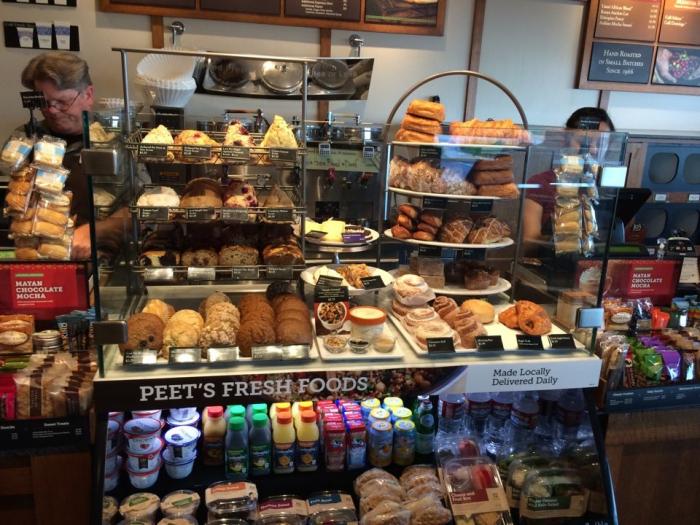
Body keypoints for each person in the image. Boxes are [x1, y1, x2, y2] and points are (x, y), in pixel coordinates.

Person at [20, 52, 127, 259]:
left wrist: (93, 232)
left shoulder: (114, 141)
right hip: (38, 258)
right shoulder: (25, 140)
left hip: (100, 260)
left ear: (88, 95)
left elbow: (139, 210)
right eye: (43, 102)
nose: (51, 110)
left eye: (62, 102)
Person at [522, 107, 615, 243]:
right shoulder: (541, 183)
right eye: (583, 142)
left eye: (600, 144)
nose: (593, 150)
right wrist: (563, 240)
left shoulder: (610, 187)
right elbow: (529, 242)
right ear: (566, 140)